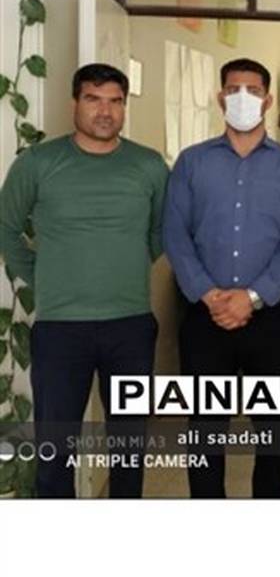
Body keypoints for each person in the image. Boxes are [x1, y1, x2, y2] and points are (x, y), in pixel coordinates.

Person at [0, 64, 167, 498]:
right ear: (75, 102)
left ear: (124, 106)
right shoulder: (38, 163)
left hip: (130, 326)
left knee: (128, 449)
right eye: (94, 99)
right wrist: (43, 277)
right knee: (56, 451)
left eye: (115, 101)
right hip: (60, 329)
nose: (105, 111)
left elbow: (160, 232)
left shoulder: (148, 165)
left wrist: (126, 263)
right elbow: (6, 228)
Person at [164, 57, 280, 498]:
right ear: (219, 97)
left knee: (272, 426)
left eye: (253, 90)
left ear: (268, 100)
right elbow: (174, 234)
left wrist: (252, 296)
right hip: (204, 317)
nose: (243, 98)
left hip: (270, 318)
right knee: (206, 426)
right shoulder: (192, 163)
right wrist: (209, 294)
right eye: (233, 89)